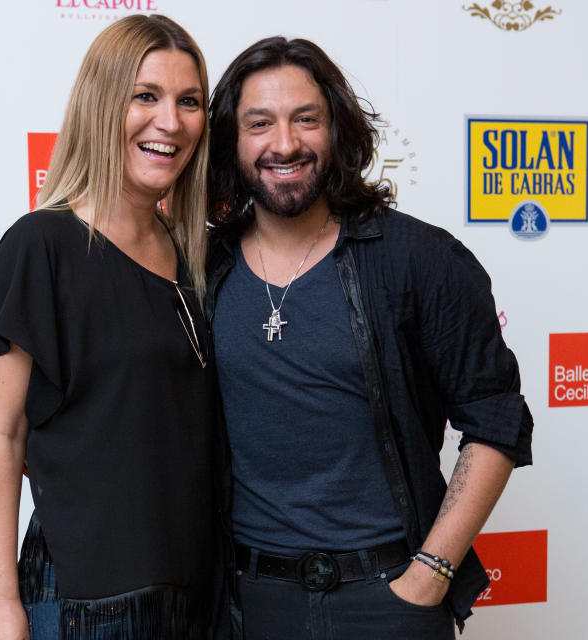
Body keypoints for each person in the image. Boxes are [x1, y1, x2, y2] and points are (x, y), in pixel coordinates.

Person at [204, 37, 534, 639]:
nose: (285, 143)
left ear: (338, 130)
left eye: (306, 119)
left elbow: (497, 419)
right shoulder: (201, 269)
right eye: (260, 123)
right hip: (245, 606)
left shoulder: (420, 260)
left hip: (388, 601)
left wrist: (429, 575)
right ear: (231, 140)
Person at [0, 15, 217, 640]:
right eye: (146, 96)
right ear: (102, 104)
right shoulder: (41, 246)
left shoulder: (194, 256)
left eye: (189, 101)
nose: (171, 121)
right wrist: (1, 605)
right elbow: (2, 437)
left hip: (198, 594)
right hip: (85, 600)